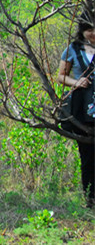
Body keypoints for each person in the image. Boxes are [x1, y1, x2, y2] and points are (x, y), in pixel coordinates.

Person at [58, 15, 95, 207]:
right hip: (83, 108)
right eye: (90, 29)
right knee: (87, 155)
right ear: (82, 30)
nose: (94, 33)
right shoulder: (73, 49)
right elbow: (61, 76)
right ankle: (90, 197)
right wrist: (77, 82)